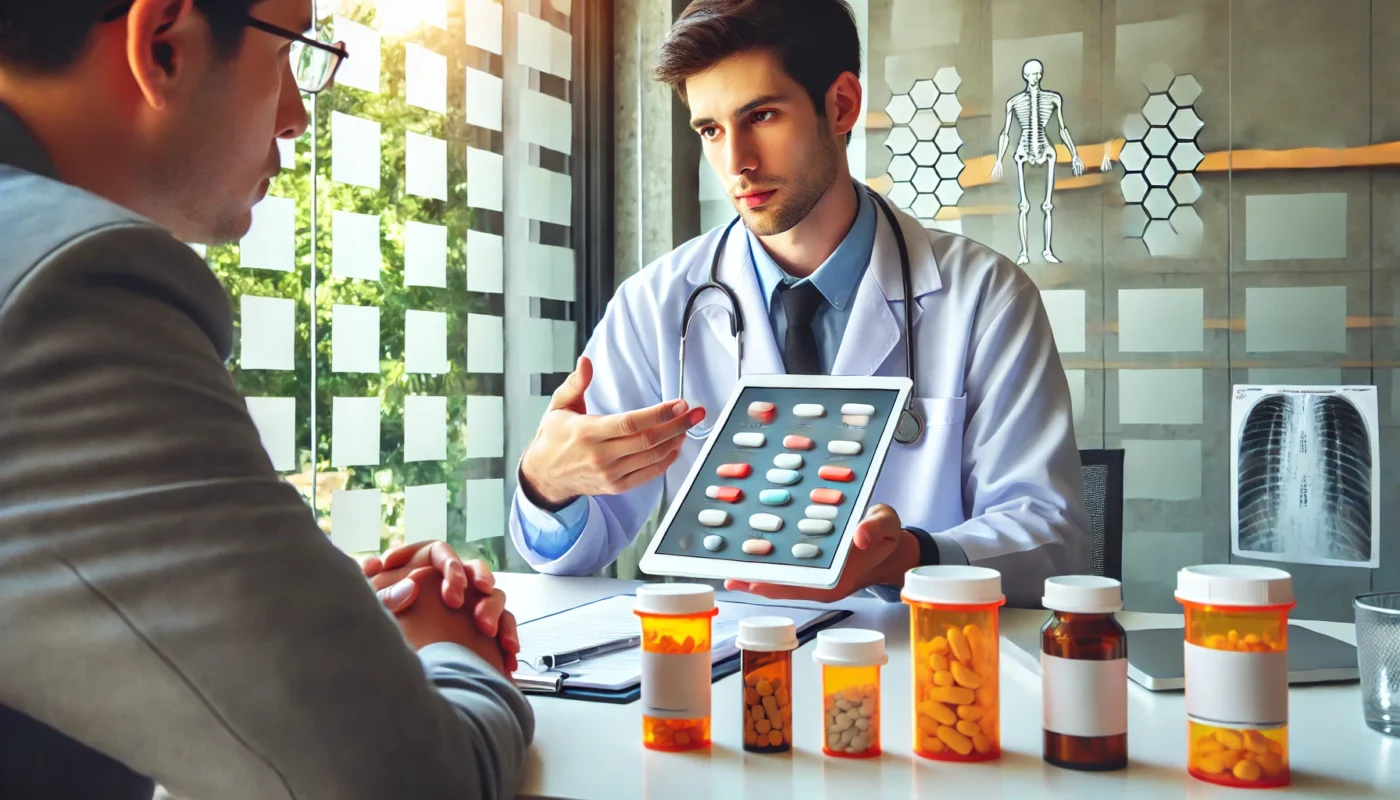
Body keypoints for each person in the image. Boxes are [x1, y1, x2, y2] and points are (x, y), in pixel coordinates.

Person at [0, 1, 532, 798]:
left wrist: (313, 612)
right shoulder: (70, 290)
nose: (296, 117)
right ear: (165, 45)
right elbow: (399, 780)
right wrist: (455, 652)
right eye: (290, 55)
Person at [511, 0, 1091, 606]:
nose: (736, 162)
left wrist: (909, 557)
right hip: (729, 673)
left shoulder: (986, 299)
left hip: (909, 667)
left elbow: (1051, 537)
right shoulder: (656, 305)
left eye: (761, 115)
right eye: (710, 130)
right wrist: (548, 484)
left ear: (840, 105)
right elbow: (579, 547)